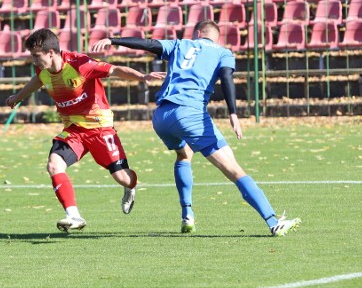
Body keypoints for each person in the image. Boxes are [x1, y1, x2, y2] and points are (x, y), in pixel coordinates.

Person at [91, 20, 301, 236]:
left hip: (162, 116)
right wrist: (233, 113)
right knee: (235, 170)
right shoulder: (223, 52)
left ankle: (187, 214)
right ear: (215, 37)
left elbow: (148, 43)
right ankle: (273, 221)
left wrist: (113, 40)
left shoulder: (180, 44)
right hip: (190, 115)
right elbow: (227, 78)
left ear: (198, 33)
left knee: (183, 155)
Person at [6, 28, 164, 232]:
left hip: (100, 127)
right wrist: (18, 96)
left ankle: (130, 187)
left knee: (122, 177)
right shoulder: (43, 70)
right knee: (54, 165)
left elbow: (114, 70)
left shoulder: (80, 64)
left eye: (36, 56)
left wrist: (142, 77)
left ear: (51, 53)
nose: (33, 61)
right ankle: (74, 216)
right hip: (73, 130)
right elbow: (38, 81)